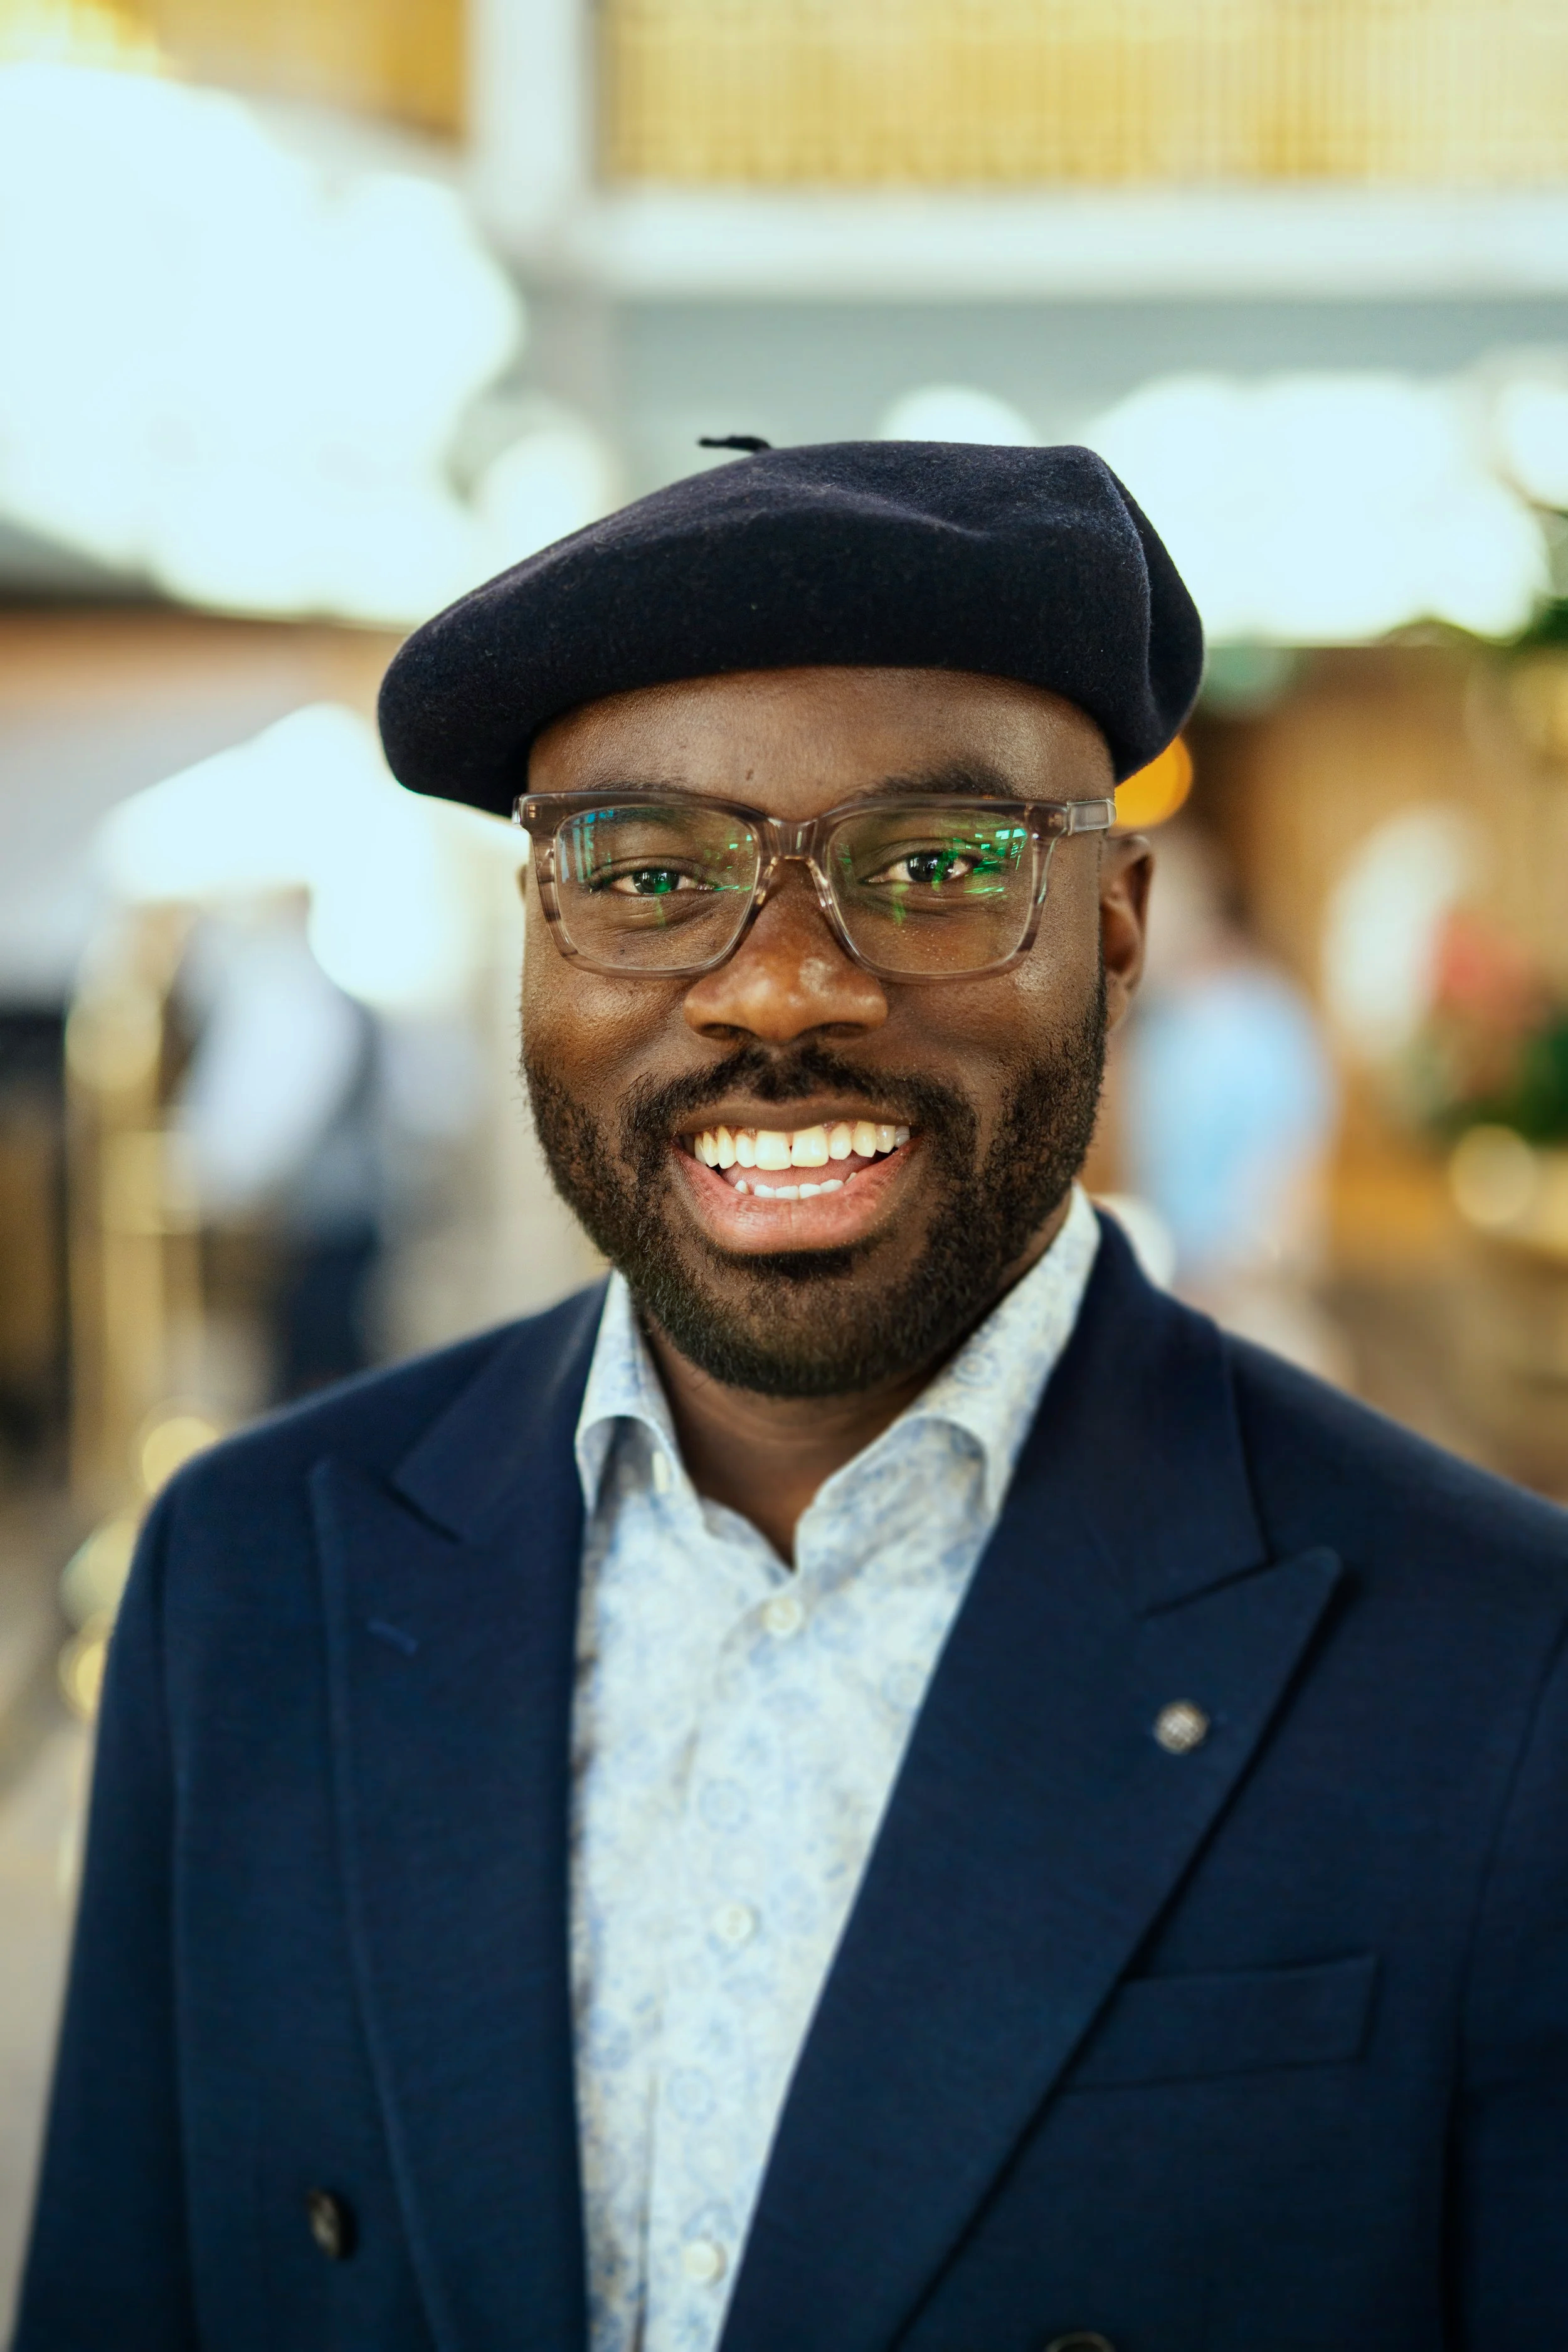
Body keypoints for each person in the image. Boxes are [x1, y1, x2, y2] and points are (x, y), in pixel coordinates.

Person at [15, 443, 1568, 2352]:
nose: (776, 989)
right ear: (538, 930)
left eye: (933, 867)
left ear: (1115, 920)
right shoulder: (251, 1579)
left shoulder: (1501, 1669)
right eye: (647, 873)